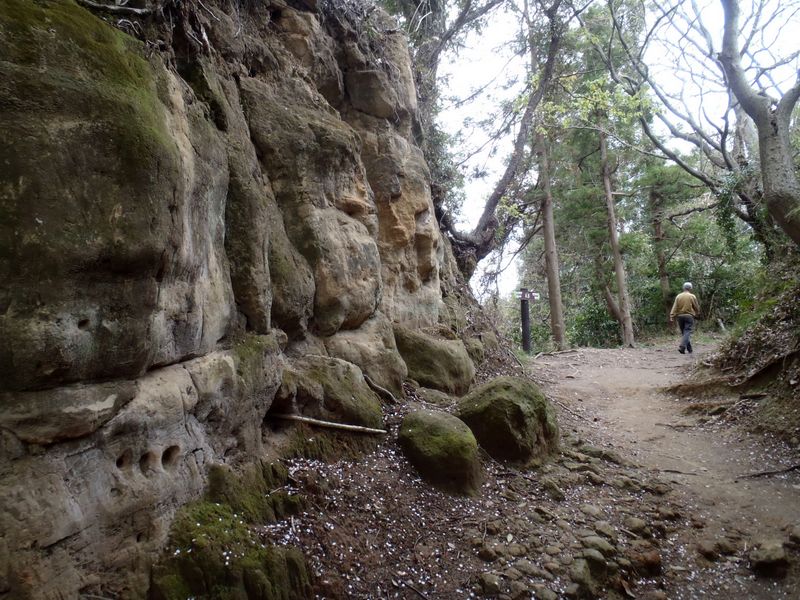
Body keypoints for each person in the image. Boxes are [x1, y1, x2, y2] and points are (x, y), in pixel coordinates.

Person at [669, 282, 701, 354]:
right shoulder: (692, 296)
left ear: (683, 288)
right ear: (690, 288)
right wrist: (698, 313)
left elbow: (675, 306)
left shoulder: (678, 296)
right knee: (687, 332)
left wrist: (671, 316)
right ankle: (682, 346)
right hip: (689, 316)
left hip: (680, 317)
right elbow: (696, 306)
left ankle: (689, 349)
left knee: (685, 333)